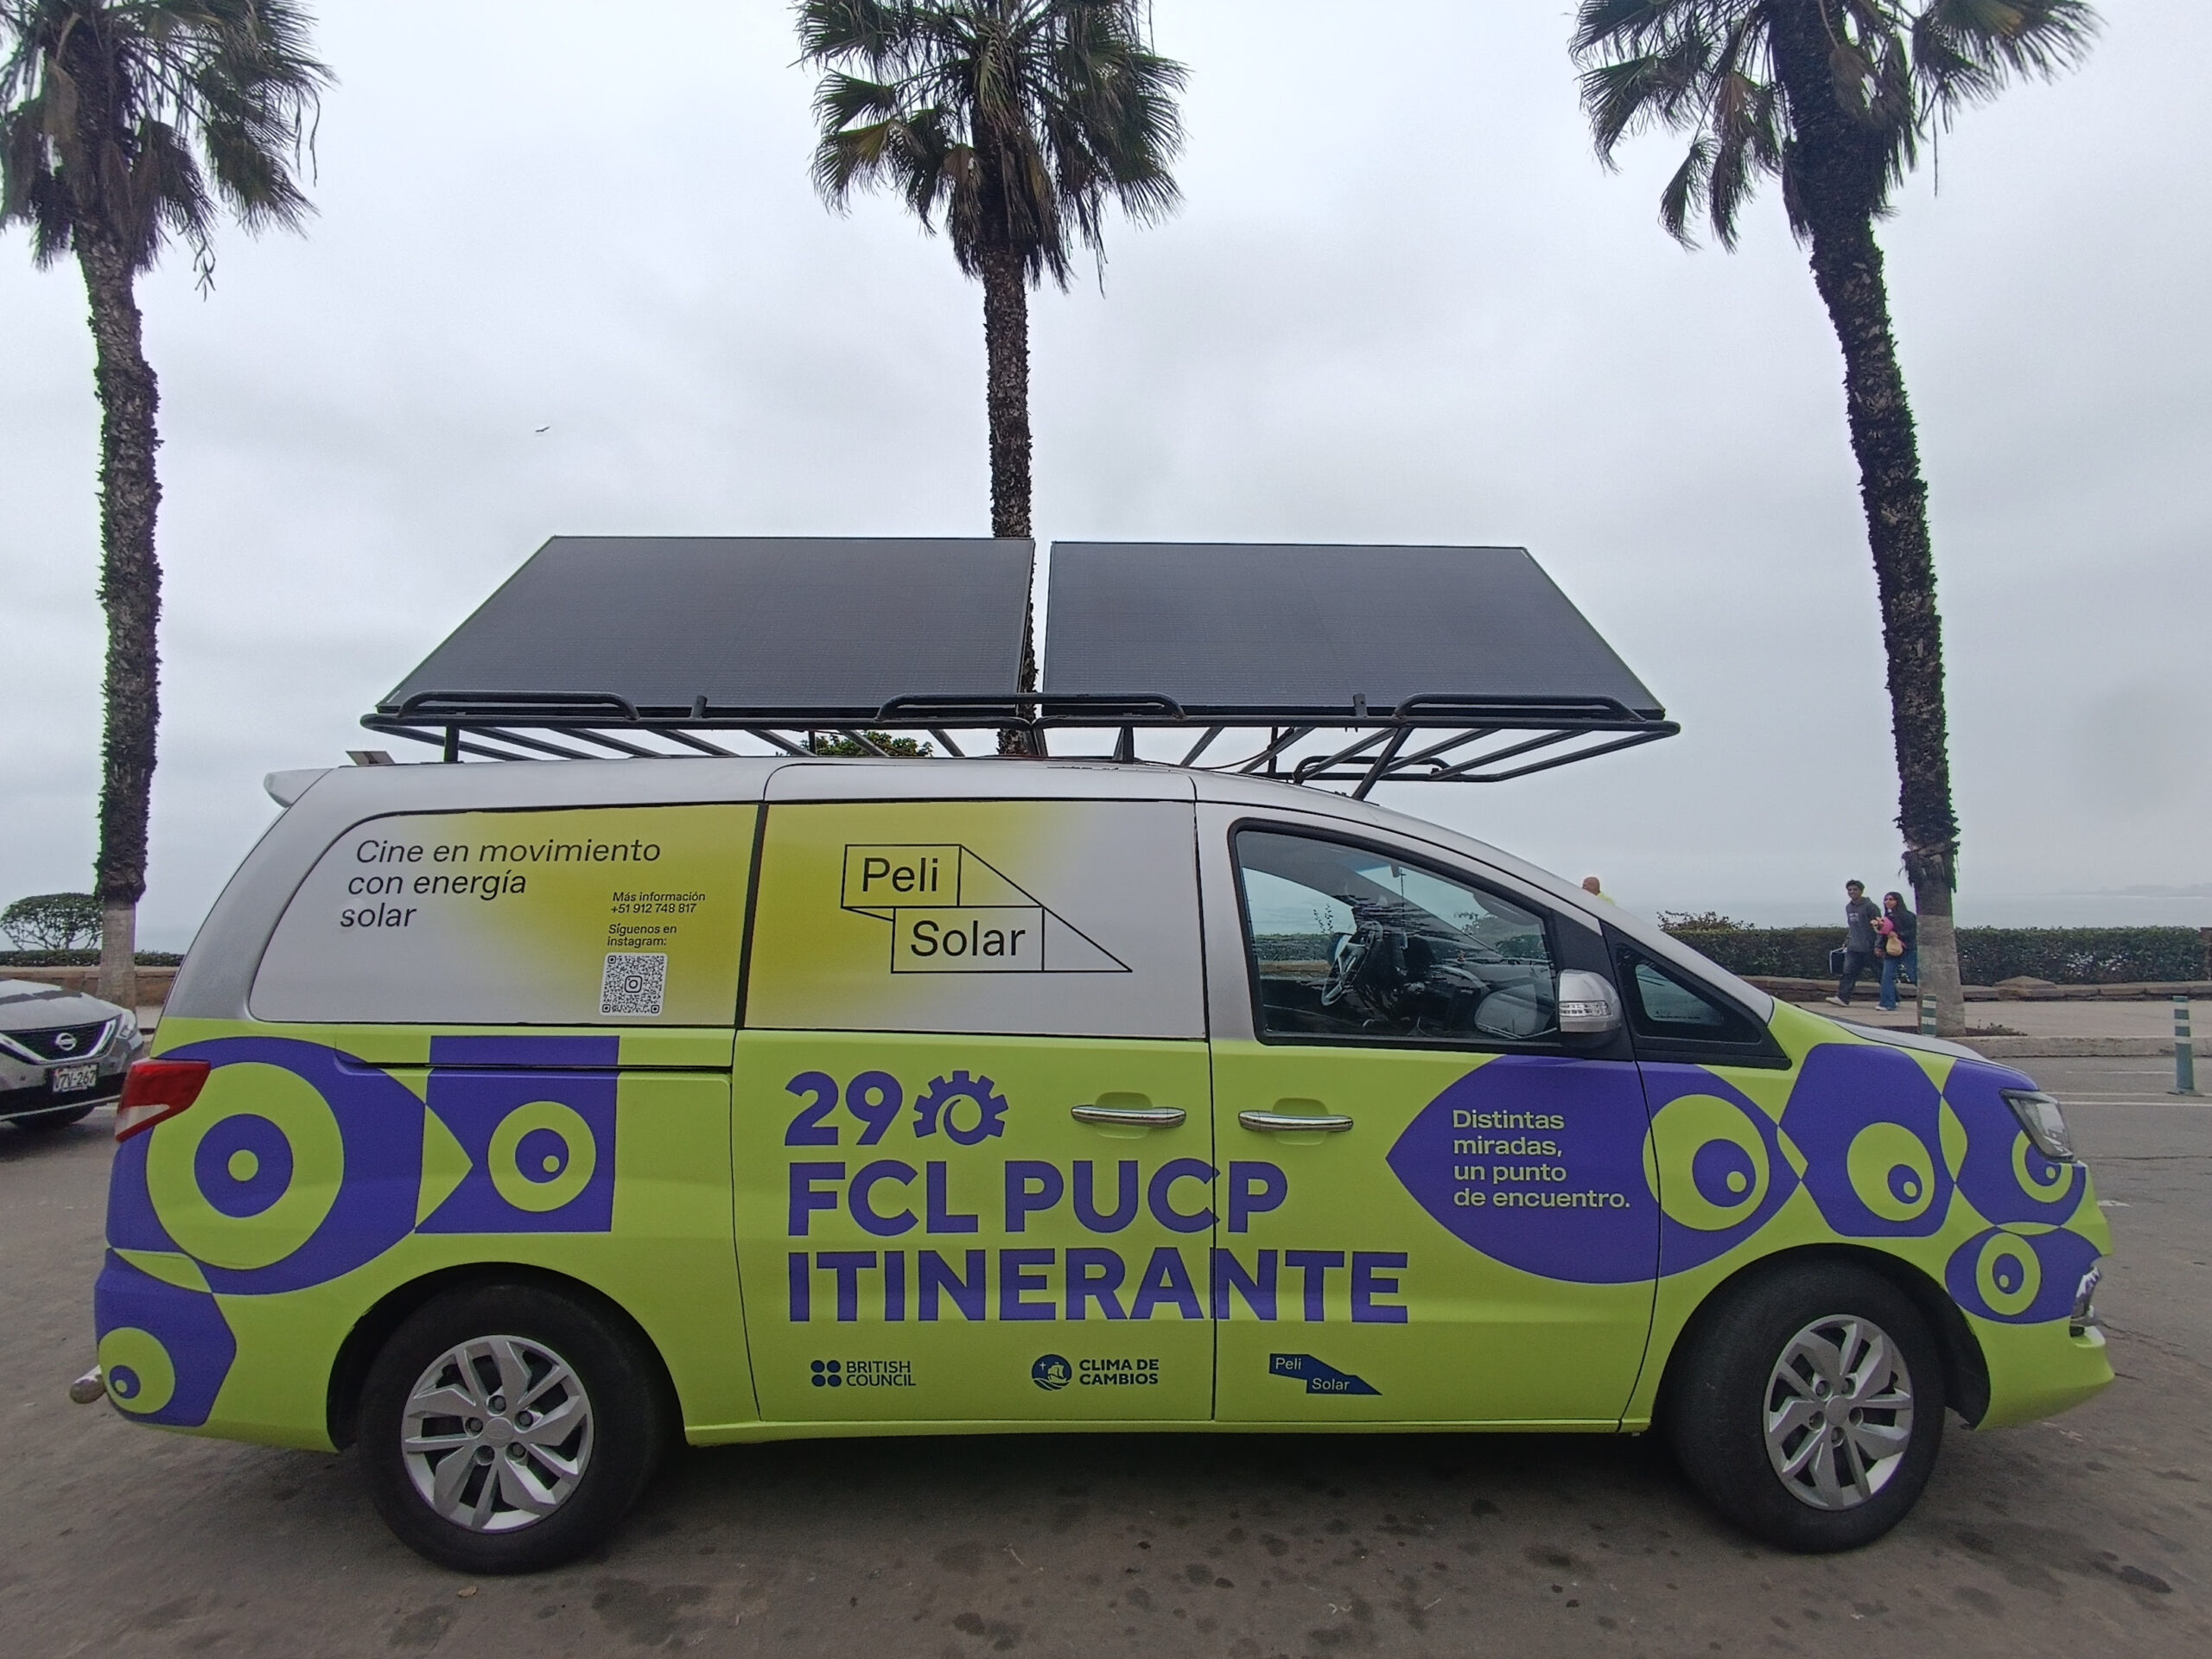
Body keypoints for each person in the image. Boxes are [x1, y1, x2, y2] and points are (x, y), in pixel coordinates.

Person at [1829, 880, 1879, 1007]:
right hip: (1854, 947)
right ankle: (1842, 998)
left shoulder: (1870, 907)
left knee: (1879, 972)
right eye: (1850, 890)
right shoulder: (1848, 907)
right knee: (1848, 972)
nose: (1852, 892)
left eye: (1855, 889)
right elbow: (1852, 927)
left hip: (1869, 946)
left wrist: (1878, 945)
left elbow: (1879, 927)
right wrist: (1847, 941)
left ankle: (1894, 998)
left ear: (1861, 891)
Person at [1876, 891, 1918, 1011]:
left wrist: (1898, 934)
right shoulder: (1887, 917)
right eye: (1886, 899)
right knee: (1887, 976)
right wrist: (1880, 947)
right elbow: (1883, 935)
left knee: (1914, 975)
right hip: (1891, 950)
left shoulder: (1909, 916)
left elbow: (1913, 932)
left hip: (1907, 949)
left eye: (1891, 899)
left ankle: (1930, 998)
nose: (1888, 902)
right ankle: (1888, 1003)